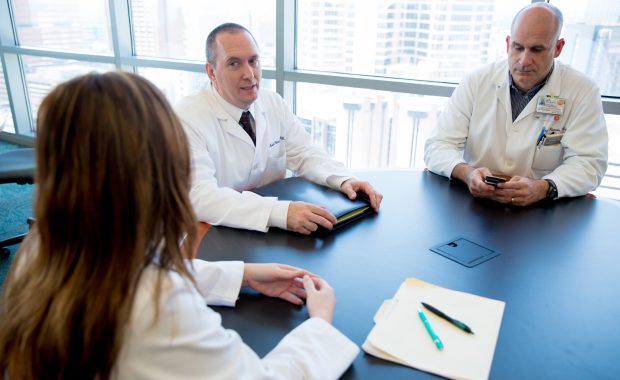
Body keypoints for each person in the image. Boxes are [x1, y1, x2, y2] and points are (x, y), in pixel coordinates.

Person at [0, 72, 358, 379]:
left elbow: (124, 271)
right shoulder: (160, 310)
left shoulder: (43, 245)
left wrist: (243, 275)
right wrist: (319, 326)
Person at [176, 23, 383, 234]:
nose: (249, 74)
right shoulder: (187, 118)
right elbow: (200, 196)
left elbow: (304, 153)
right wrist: (280, 213)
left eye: (253, 61)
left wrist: (344, 179)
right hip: (213, 234)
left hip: (271, 231)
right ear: (211, 71)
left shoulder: (272, 103)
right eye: (234, 64)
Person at [424, 3, 608, 206]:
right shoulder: (476, 82)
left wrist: (542, 187)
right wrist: (467, 174)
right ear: (507, 43)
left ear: (558, 47)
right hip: (475, 202)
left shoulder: (582, 91)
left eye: (537, 49)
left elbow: (589, 164)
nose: (523, 60)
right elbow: (437, 145)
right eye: (517, 47)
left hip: (542, 211)